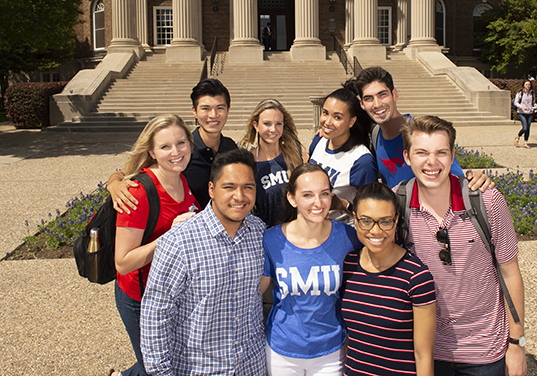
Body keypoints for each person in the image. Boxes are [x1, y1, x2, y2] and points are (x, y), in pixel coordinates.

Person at [401, 115, 526, 376]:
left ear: (452, 156)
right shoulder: (398, 205)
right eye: (421, 152)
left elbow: (510, 272)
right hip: (426, 350)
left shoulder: (487, 201)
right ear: (406, 157)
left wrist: (517, 344)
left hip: (484, 349)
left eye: (441, 152)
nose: (432, 162)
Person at [140, 149, 266, 375]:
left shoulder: (259, 233)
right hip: (199, 368)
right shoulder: (179, 242)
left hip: (251, 365)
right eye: (229, 187)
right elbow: (155, 314)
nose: (240, 196)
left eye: (248, 187)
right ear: (211, 189)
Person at [110, 114, 200, 376]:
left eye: (181, 143)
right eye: (165, 147)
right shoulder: (138, 192)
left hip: (171, 295)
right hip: (141, 297)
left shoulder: (181, 180)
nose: (176, 152)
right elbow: (123, 262)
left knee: (165, 363)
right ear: (151, 151)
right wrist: (169, 237)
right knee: (155, 368)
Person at [260, 163, 362, 375]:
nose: (318, 203)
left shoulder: (347, 236)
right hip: (282, 351)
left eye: (324, 194)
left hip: (330, 351)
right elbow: (255, 291)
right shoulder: (271, 240)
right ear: (291, 198)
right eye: (307, 195)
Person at [342, 181, 436, 375]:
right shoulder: (348, 265)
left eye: (385, 221)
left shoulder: (416, 276)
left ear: (396, 220)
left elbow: (423, 355)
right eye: (366, 220)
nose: (376, 231)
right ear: (355, 218)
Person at [350, 66, 493, 191]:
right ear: (362, 104)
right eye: (369, 98)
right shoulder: (376, 135)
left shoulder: (423, 134)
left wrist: (473, 179)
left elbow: (455, 179)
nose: (377, 104)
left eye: (382, 95)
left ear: (395, 94)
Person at [107, 78, 237, 213]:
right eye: (205, 108)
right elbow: (130, 171)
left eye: (220, 108)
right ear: (194, 111)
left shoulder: (230, 147)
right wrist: (114, 184)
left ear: (228, 109)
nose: (213, 115)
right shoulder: (182, 150)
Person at [309, 86, 378, 224]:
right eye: (325, 113)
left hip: (342, 232)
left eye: (337, 117)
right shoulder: (319, 141)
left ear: (352, 121)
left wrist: (344, 205)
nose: (327, 122)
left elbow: (373, 210)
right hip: (313, 226)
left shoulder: (361, 161)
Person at [239, 98, 303, 227]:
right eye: (267, 124)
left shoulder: (293, 154)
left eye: (278, 123)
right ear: (256, 125)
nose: (273, 129)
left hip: (296, 233)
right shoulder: (248, 162)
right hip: (265, 235)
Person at [513, 80, 537, 149]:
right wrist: (521, 107)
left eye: (529, 84)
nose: (528, 86)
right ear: (524, 85)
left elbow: (533, 102)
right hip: (521, 112)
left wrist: (535, 106)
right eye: (526, 84)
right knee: (525, 127)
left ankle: (525, 142)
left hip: (530, 112)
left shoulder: (532, 93)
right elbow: (516, 102)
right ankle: (518, 137)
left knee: (528, 128)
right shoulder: (520, 93)